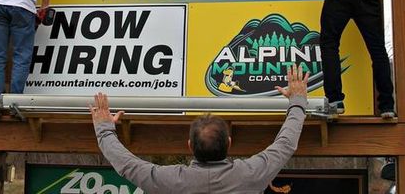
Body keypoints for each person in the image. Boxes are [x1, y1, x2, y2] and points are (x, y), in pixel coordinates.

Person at [91, 65, 309, 194]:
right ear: (229, 143)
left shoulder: (171, 180)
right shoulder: (249, 175)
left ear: (189, 146)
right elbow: (286, 144)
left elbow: (128, 166)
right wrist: (297, 101)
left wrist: (104, 129)